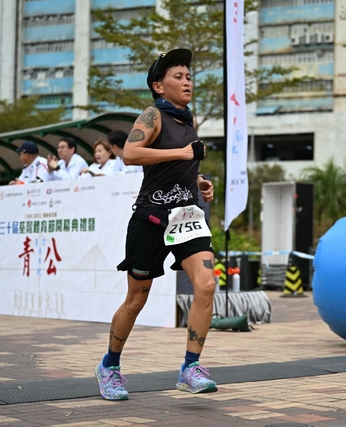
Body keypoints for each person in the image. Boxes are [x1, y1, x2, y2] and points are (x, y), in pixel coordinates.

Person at [95, 48, 216, 401]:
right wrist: (183, 153)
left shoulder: (188, 120)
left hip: (186, 217)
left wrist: (199, 182)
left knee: (206, 284)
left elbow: (180, 168)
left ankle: (190, 368)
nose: (187, 81)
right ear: (158, 86)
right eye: (178, 76)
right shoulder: (152, 115)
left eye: (189, 76)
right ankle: (109, 366)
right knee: (136, 299)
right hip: (150, 218)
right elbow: (131, 154)